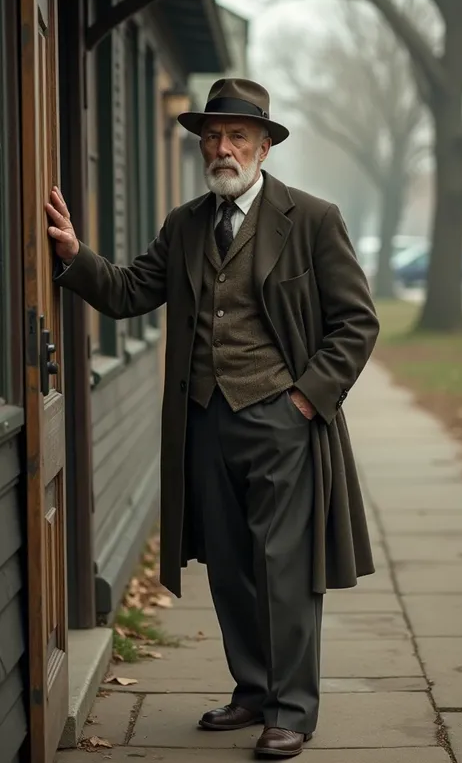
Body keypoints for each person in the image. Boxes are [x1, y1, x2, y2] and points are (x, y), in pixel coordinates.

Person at [46, 78, 379, 759]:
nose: (220, 149)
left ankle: (292, 709)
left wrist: (305, 400)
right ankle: (253, 690)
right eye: (211, 138)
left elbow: (356, 323)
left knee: (285, 567)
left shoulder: (312, 218)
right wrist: (75, 258)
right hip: (204, 421)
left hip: (282, 420)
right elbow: (133, 291)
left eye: (235, 137)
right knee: (229, 566)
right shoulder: (186, 223)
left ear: (263, 145)